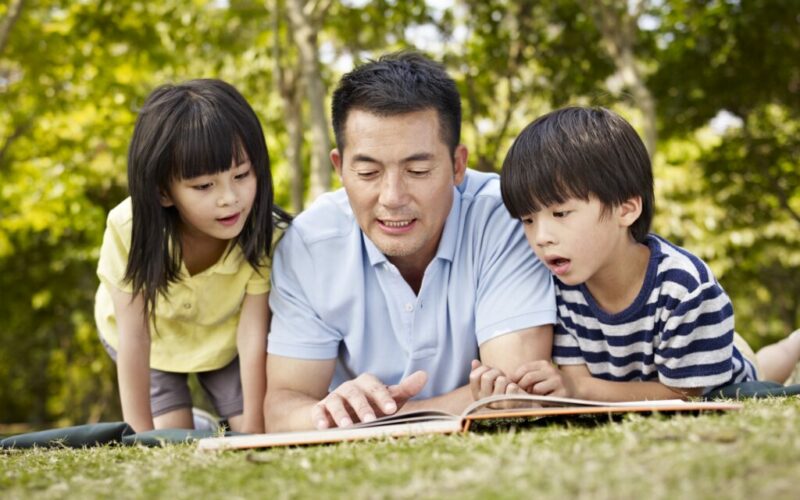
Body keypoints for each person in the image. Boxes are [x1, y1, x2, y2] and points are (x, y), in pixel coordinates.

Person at [264, 52, 557, 431]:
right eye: (368, 171)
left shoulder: (509, 216)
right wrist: (330, 411)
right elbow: (282, 410)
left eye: (417, 170)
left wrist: (367, 421)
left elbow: (512, 394)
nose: (392, 197)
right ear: (339, 168)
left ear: (457, 165)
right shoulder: (309, 245)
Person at [471, 106, 800, 401]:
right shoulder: (561, 287)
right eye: (528, 220)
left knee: (763, 371)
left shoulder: (685, 288)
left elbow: (683, 394)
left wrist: (577, 390)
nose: (541, 237)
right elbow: (574, 380)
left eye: (560, 214)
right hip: (660, 368)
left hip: (712, 372)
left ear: (626, 210)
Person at [94, 79, 287, 433]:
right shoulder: (129, 227)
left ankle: (228, 424)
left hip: (224, 342)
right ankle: (196, 421)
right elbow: (134, 336)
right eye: (204, 186)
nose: (230, 198)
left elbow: (252, 335)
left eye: (241, 175)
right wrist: (139, 436)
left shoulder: (265, 232)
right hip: (153, 347)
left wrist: (257, 433)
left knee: (251, 425)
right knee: (171, 437)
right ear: (164, 191)